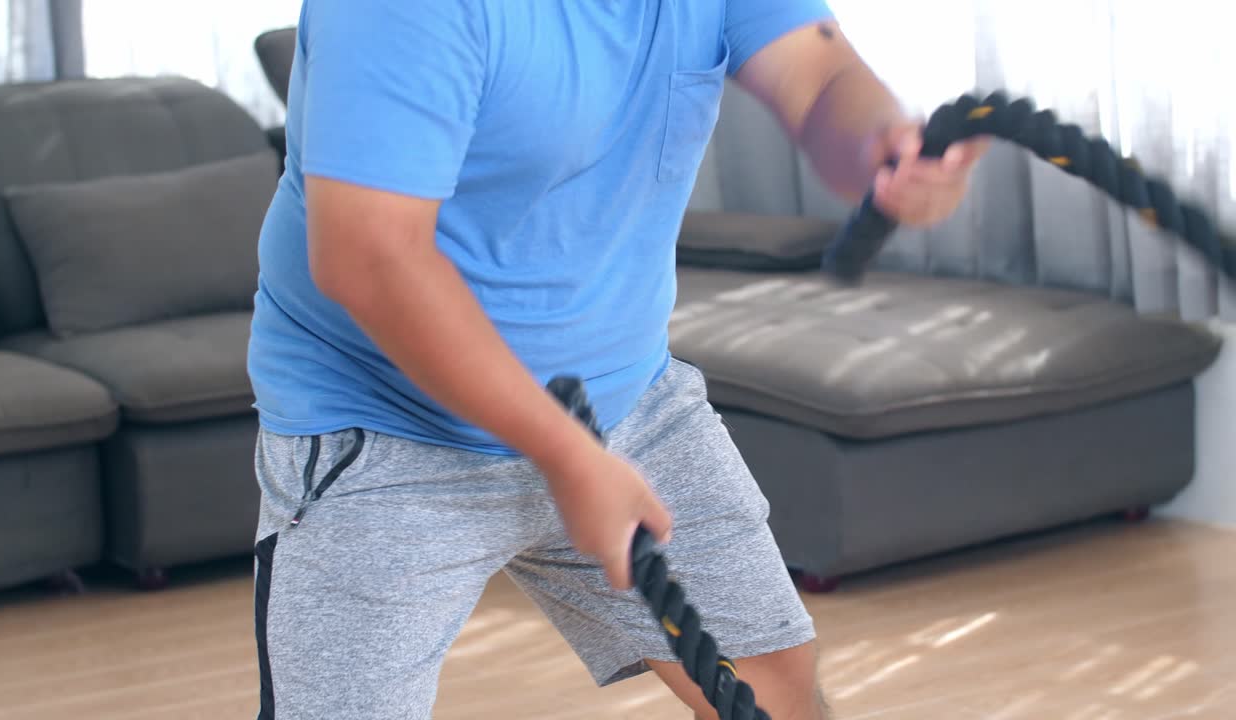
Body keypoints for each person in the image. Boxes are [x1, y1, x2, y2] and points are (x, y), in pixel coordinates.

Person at [246, 2, 987, 718]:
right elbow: (369, 257)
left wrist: (882, 147)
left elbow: (822, 79)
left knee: (770, 691)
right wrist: (566, 455)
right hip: (381, 427)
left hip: (628, 399)